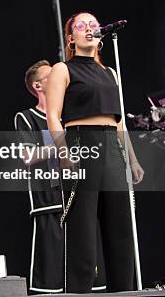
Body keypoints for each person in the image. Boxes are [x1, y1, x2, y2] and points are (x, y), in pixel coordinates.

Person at [46, 12, 144, 293]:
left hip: (112, 146)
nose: (89, 28)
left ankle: (123, 291)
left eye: (93, 24)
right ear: (71, 38)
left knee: (121, 232)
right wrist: (64, 154)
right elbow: (53, 116)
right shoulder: (63, 69)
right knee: (83, 234)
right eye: (81, 25)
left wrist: (133, 160)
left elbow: (119, 120)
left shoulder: (109, 72)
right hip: (81, 143)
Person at [15, 60, 105, 294]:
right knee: (51, 279)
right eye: (50, 75)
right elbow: (28, 156)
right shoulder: (27, 118)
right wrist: (62, 142)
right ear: (37, 85)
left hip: (77, 197)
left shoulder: (70, 116)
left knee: (87, 271)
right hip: (50, 202)